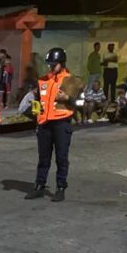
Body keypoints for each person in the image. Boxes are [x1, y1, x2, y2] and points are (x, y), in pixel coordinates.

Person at [25, 48, 75, 202]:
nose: (51, 67)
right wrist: (35, 113)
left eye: (54, 64)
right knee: (43, 158)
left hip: (61, 123)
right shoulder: (43, 80)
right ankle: (39, 186)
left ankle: (61, 187)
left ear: (62, 63)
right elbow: (39, 101)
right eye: (50, 64)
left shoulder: (70, 80)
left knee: (61, 157)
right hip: (44, 124)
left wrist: (67, 97)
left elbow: (78, 103)